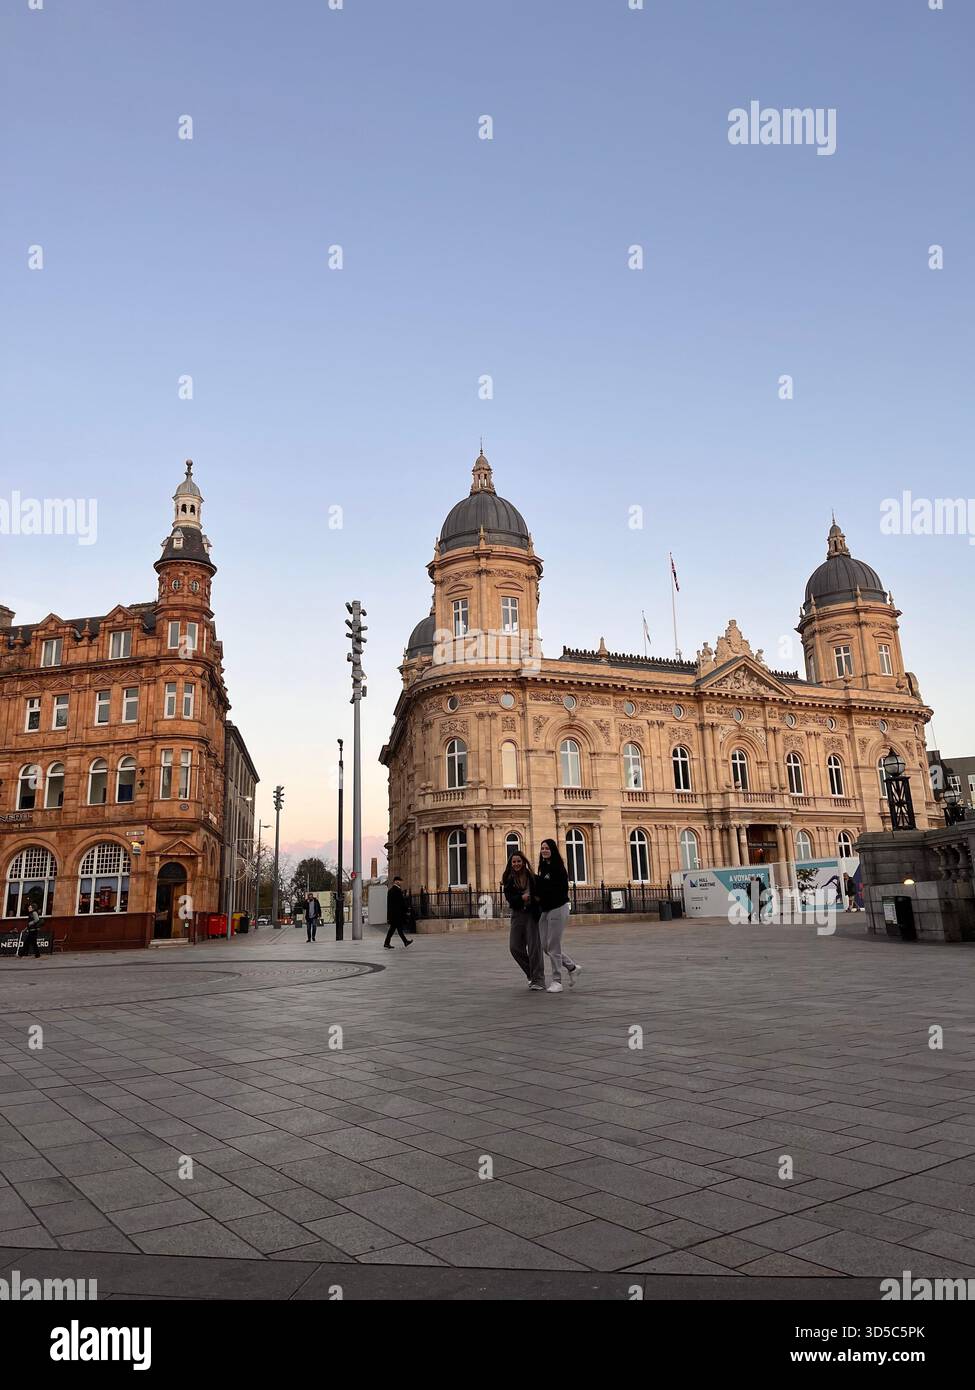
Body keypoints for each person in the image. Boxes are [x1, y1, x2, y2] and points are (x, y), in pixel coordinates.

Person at [536, 839, 580, 993]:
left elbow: (557, 890)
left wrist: (542, 892)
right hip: (546, 909)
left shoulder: (558, 868)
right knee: (545, 946)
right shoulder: (543, 867)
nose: (544, 850)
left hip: (558, 908)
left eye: (547, 848)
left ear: (553, 850)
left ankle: (557, 981)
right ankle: (572, 967)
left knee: (553, 946)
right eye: (542, 848)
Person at [502, 852, 545, 991]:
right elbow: (510, 899)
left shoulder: (533, 878)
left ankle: (538, 980)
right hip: (517, 915)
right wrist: (522, 898)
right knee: (514, 947)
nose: (516, 864)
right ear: (510, 864)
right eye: (514, 862)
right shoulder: (508, 880)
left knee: (534, 948)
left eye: (518, 861)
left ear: (524, 862)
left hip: (532, 915)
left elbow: (542, 894)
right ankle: (531, 974)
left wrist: (535, 899)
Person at [384, 876, 414, 948]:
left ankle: (388, 943)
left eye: (400, 881)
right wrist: (406, 910)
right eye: (399, 881)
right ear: (395, 881)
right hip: (397, 914)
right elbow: (401, 902)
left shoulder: (391, 890)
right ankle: (404, 942)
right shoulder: (397, 890)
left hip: (394, 914)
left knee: (394, 929)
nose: (400, 882)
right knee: (396, 929)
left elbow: (390, 904)